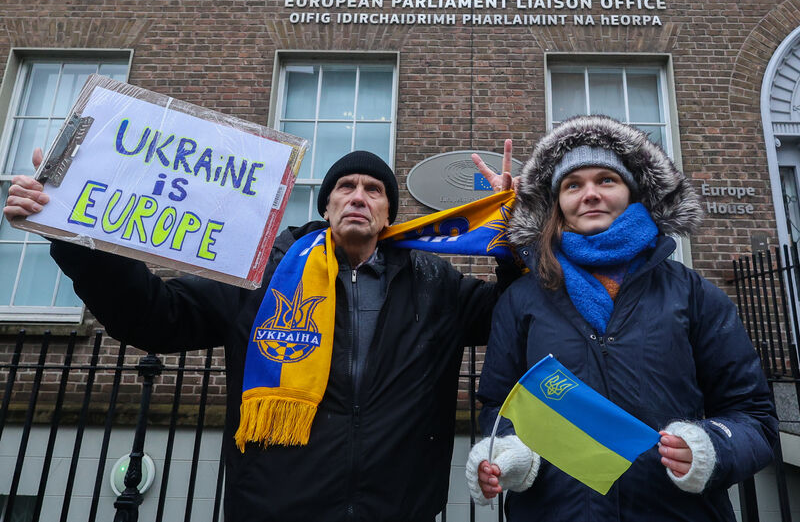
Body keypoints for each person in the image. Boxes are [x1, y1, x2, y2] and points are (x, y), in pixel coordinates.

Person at [4, 148, 519, 522]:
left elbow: (514, 318)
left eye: (374, 190)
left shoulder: (437, 287)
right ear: (326, 208)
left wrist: (517, 233)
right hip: (277, 508)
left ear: (388, 215)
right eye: (346, 187)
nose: (358, 196)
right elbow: (155, 317)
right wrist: (76, 237)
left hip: (399, 509)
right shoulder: (263, 277)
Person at [465, 115, 778, 521]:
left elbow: (753, 415)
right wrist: (511, 454)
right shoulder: (522, 300)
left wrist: (710, 447)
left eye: (606, 181)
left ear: (633, 193)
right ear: (556, 202)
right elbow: (500, 406)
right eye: (573, 185)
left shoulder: (694, 294)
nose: (590, 194)